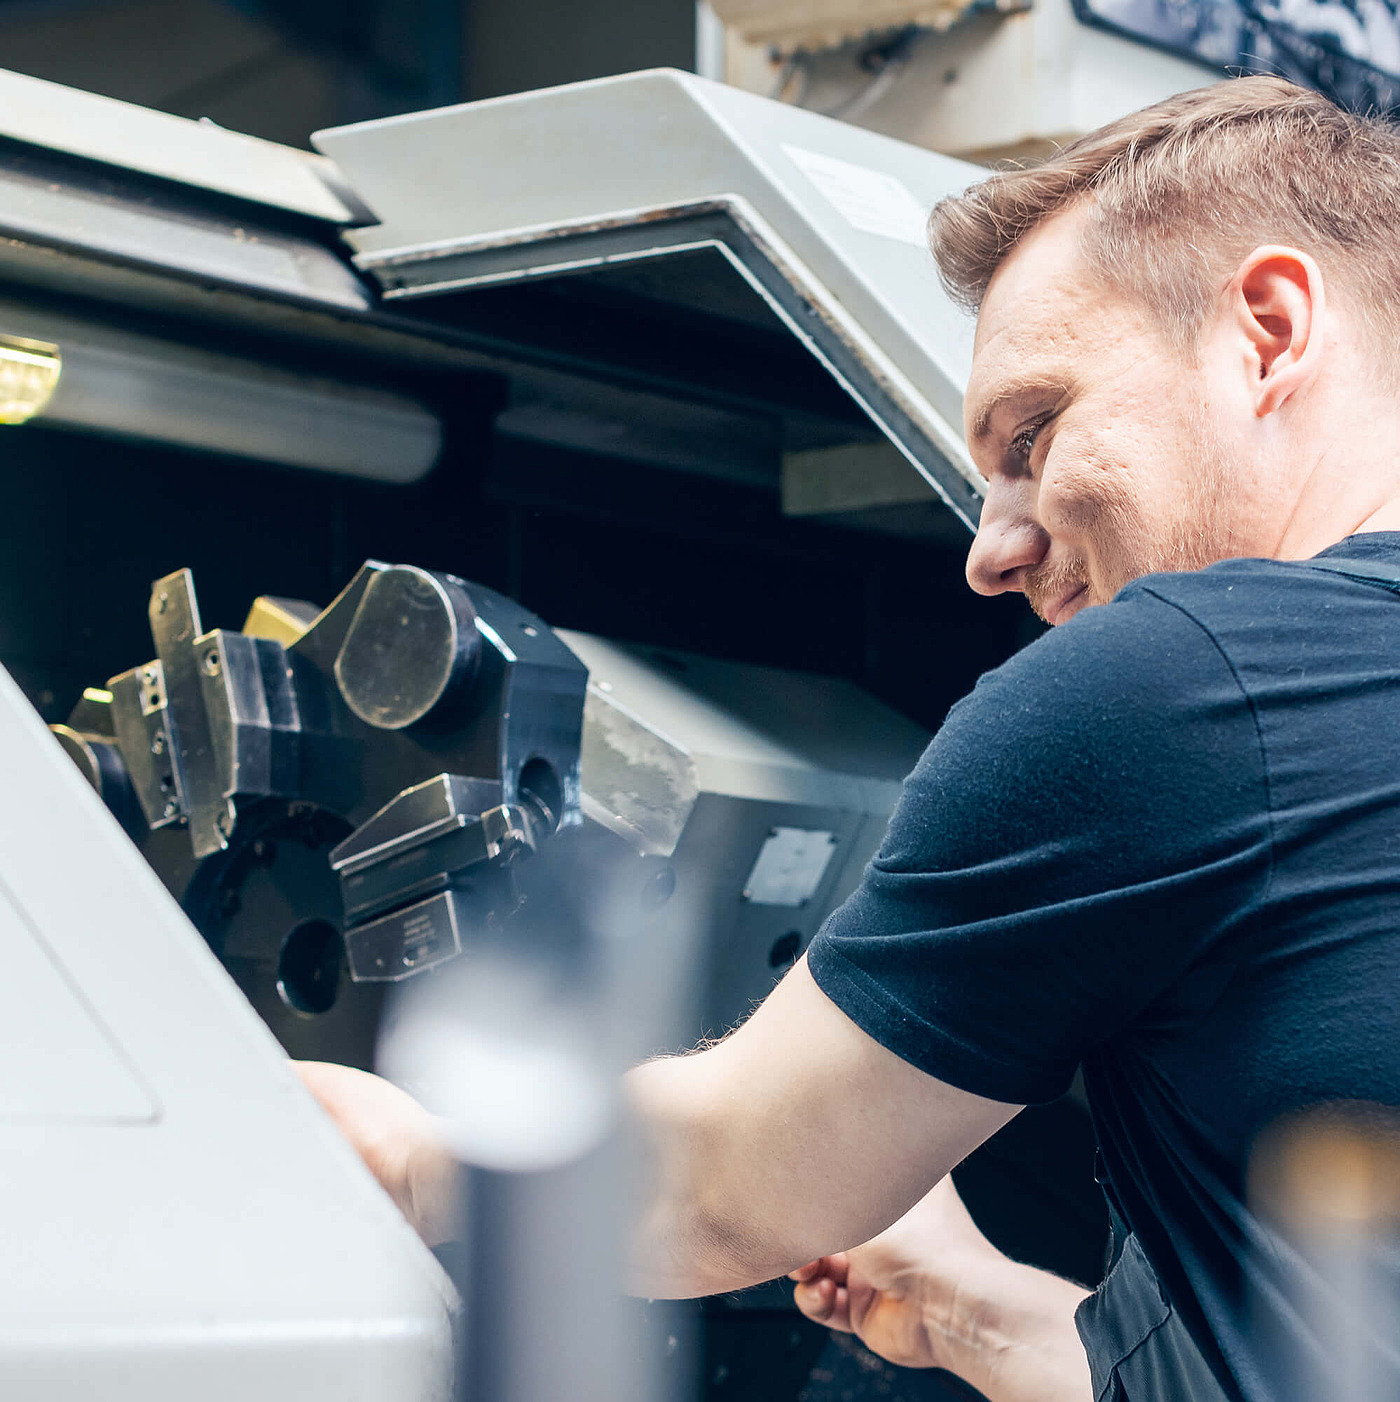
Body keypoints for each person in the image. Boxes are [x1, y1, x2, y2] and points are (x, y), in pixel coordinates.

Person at [297, 75, 1400, 1401]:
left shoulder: (1182, 683)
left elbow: (721, 1185)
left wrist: (412, 1159)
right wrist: (966, 1311)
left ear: (1269, 332)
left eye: (1034, 432)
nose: (990, 551)